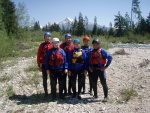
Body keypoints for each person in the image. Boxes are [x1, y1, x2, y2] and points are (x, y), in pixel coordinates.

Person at [37, 32, 53, 98]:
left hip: (51, 64)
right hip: (44, 64)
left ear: (50, 37)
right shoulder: (42, 45)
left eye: (49, 36)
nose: (48, 37)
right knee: (44, 79)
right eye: (46, 36)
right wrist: (39, 65)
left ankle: (53, 91)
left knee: (52, 79)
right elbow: (38, 55)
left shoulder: (53, 44)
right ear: (44, 37)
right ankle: (46, 92)